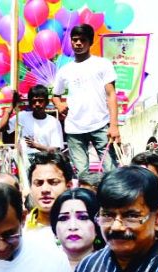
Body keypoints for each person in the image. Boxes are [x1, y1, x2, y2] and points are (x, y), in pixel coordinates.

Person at [51, 24, 119, 173]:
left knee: (112, 172)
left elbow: (111, 95)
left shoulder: (103, 64)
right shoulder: (64, 70)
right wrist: (59, 105)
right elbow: (55, 95)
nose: (78, 43)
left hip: (101, 125)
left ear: (90, 42)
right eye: (75, 40)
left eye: (83, 40)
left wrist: (114, 125)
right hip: (74, 128)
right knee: (82, 175)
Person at [0, 85, 64, 163]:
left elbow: (56, 150)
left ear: (47, 102)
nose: (37, 104)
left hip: (46, 162)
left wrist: (35, 145)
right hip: (24, 162)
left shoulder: (54, 122)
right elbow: (1, 128)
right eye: (34, 101)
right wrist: (12, 106)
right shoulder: (22, 116)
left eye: (41, 101)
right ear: (30, 103)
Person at [50, 188, 105, 268]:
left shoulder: (111, 268)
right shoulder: (43, 266)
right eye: (64, 218)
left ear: (97, 225)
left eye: (83, 218)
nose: (73, 227)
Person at [25, 152, 73, 244]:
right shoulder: (20, 230)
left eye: (53, 182)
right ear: (30, 187)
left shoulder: (83, 227)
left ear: (69, 186)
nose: (45, 189)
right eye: (38, 183)